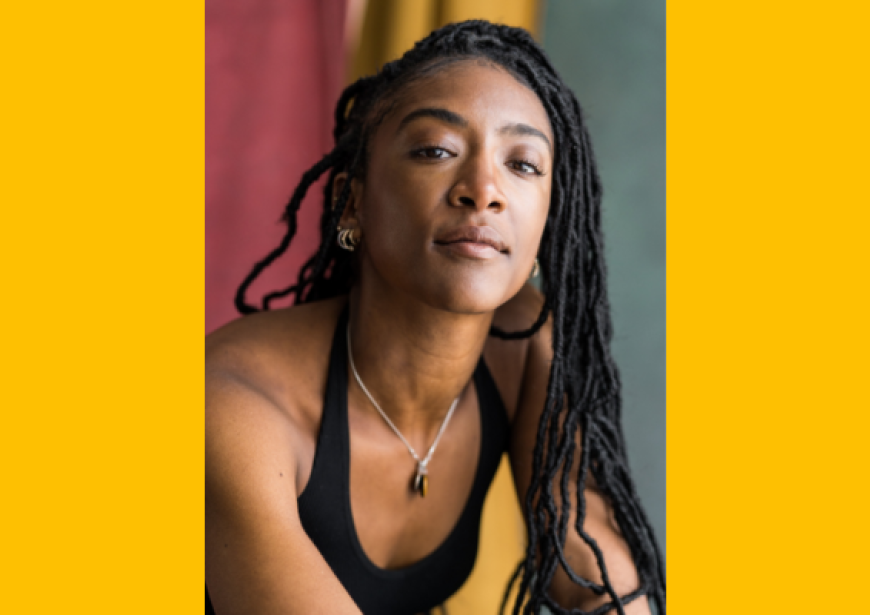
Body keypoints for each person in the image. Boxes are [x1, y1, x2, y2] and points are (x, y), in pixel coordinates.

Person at [205, 20, 665, 615]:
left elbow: (600, 580)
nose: (485, 190)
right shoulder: (232, 410)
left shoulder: (523, 346)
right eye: (437, 151)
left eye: (523, 164)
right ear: (353, 199)